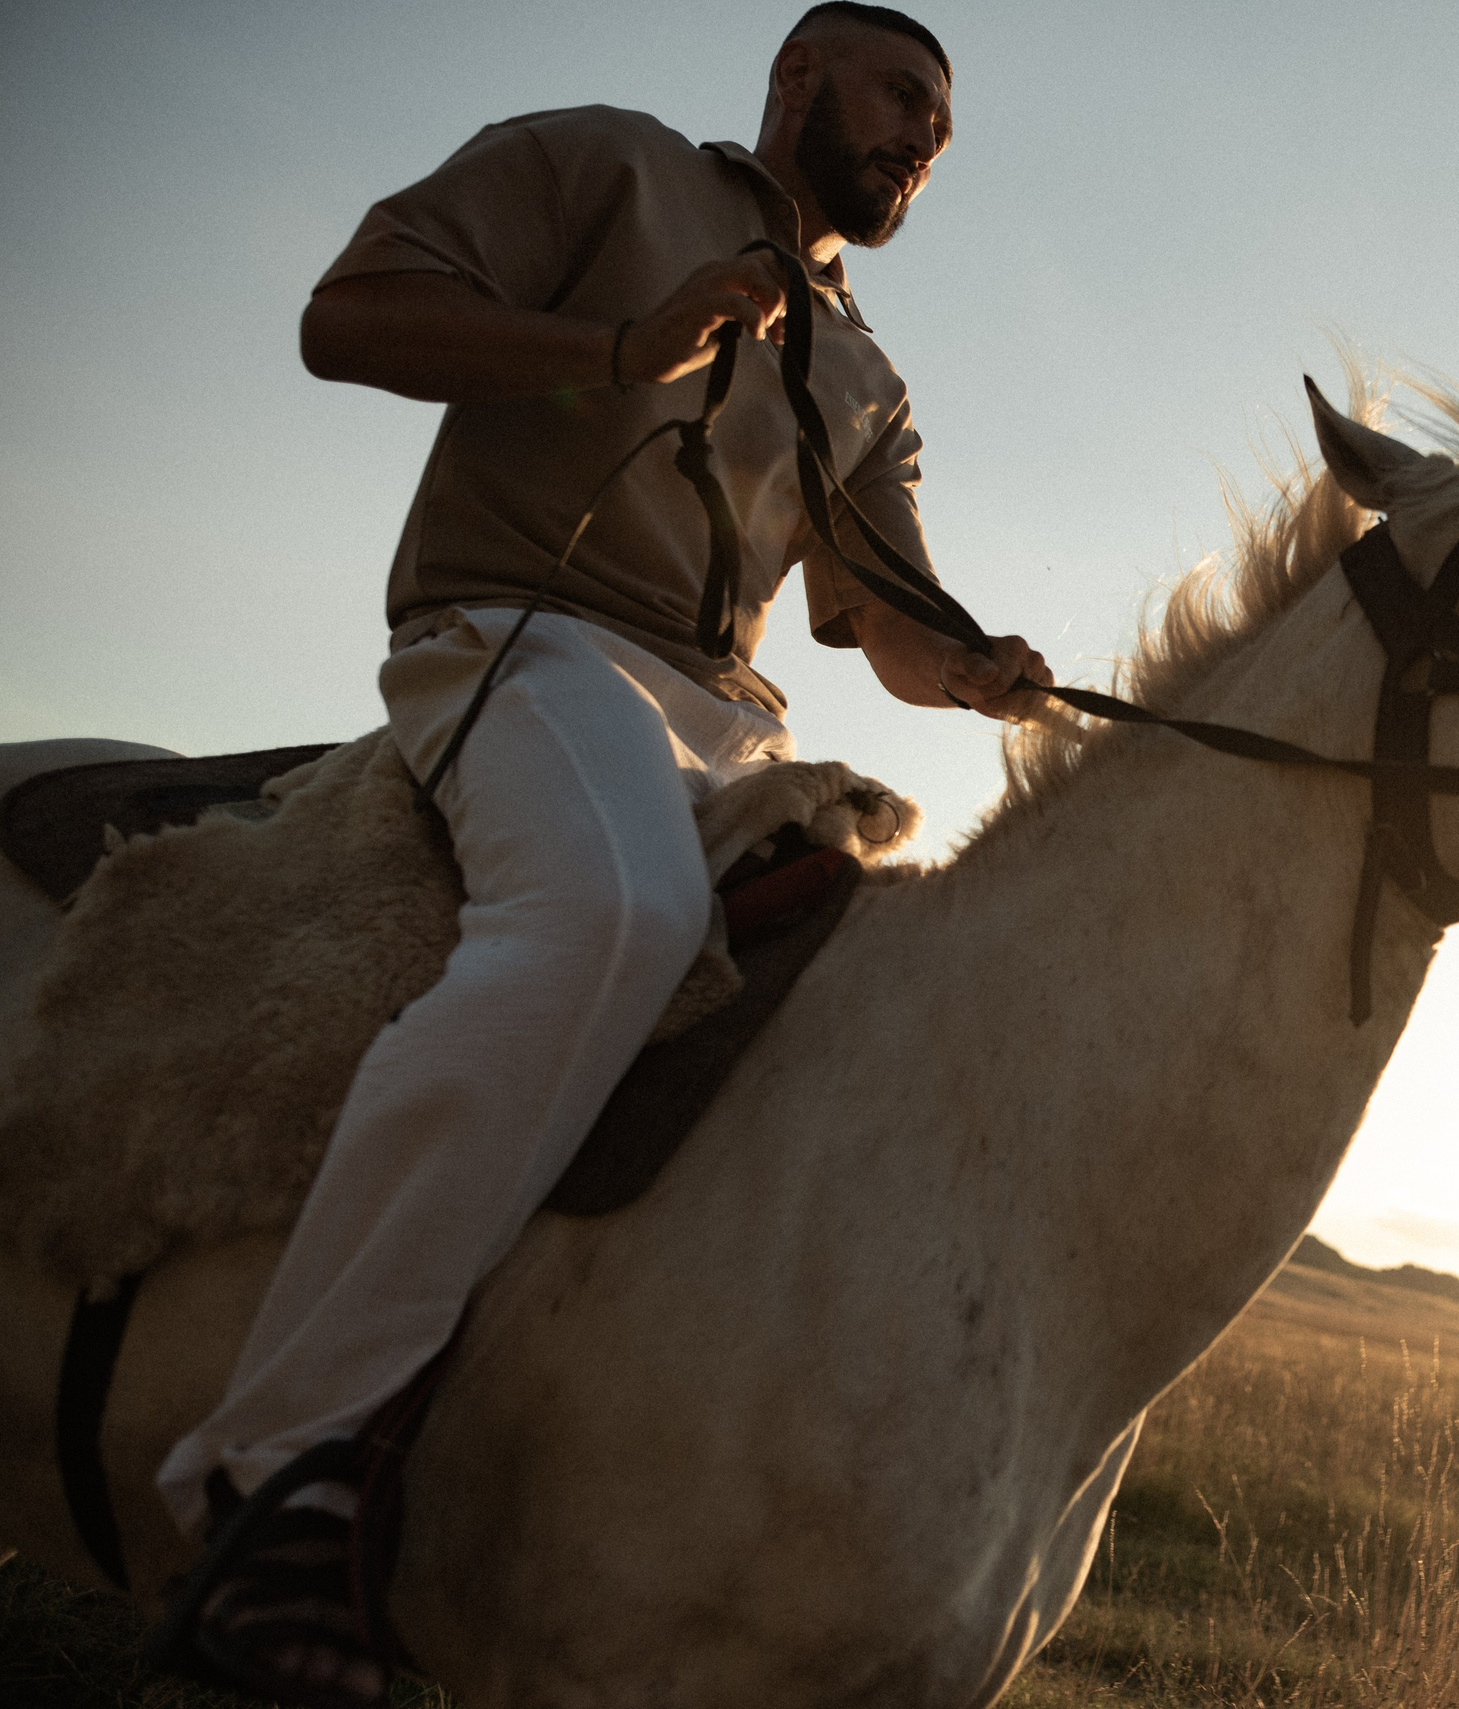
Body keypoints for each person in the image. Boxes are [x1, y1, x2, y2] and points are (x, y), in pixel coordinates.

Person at [147, 9, 1045, 1705]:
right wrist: (619, 346)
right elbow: (344, 319)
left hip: (737, 721)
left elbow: (882, 621)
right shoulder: (602, 160)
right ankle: (272, 1477)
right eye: (902, 95)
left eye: (943, 123)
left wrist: (976, 661)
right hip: (525, 635)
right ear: (797, 78)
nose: (925, 135)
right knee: (614, 914)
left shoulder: (869, 377)